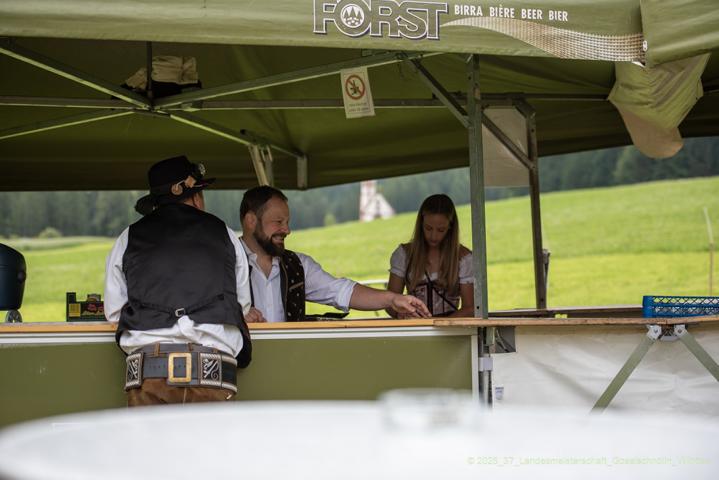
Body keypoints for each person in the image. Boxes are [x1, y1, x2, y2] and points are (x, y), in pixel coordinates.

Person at [104, 155, 252, 406]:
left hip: (150, 369)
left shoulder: (128, 237)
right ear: (195, 197)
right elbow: (242, 306)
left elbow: (114, 313)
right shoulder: (224, 233)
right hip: (212, 369)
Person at [238, 186, 430, 323]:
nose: (287, 230)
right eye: (278, 222)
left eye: (287, 222)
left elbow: (341, 291)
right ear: (251, 221)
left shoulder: (297, 265)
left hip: (290, 362)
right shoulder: (226, 264)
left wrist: (392, 299)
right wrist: (235, 317)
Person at [387, 194, 474, 318]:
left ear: (450, 227)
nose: (433, 236)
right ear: (421, 224)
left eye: (441, 230)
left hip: (451, 327)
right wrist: (402, 315)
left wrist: (440, 326)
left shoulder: (464, 258)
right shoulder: (404, 254)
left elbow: (470, 308)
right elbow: (390, 303)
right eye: (428, 228)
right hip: (414, 326)